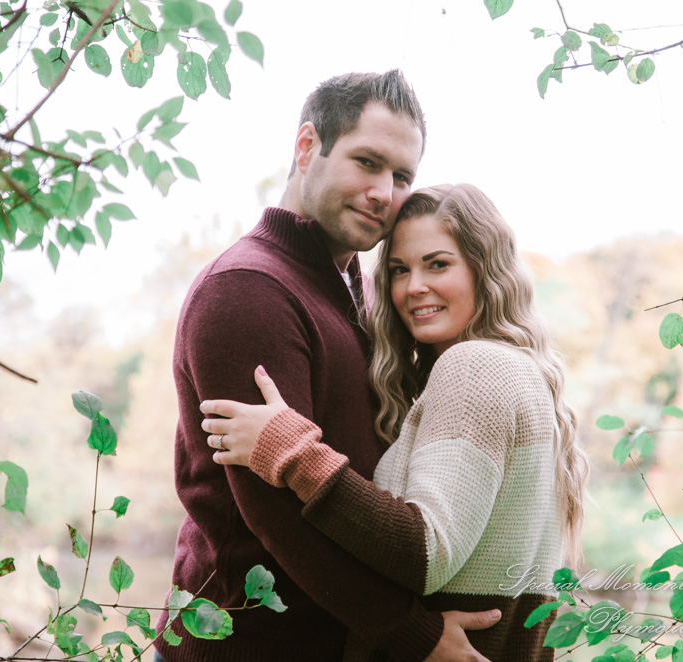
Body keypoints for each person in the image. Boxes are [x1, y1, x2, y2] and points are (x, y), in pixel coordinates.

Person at [155, 72, 500, 662]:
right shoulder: (248, 290)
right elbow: (276, 513)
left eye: (401, 177)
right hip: (244, 649)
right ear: (307, 147)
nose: (384, 193)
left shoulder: (354, 288)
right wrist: (411, 634)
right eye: (368, 162)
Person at [201, 184, 591, 661]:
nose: (414, 287)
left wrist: (291, 450)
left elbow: (425, 553)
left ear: (486, 271)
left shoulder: (474, 367)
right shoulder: (523, 374)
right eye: (399, 270)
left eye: (438, 264)